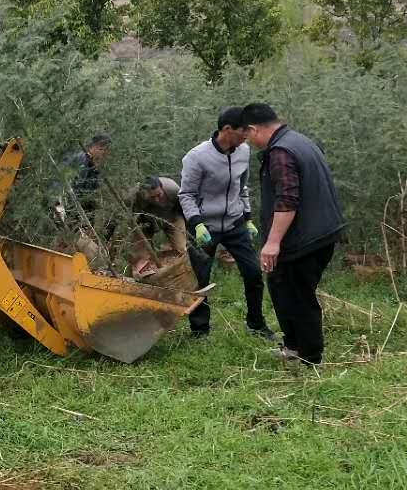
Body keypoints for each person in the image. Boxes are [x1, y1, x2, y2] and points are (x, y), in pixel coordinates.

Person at [240, 102, 344, 366]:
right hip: (320, 232)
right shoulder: (300, 141)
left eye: (247, 136)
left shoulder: (281, 152)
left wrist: (272, 242)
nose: (248, 142)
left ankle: (310, 357)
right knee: (282, 289)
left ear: (254, 129)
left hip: (304, 239)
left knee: (298, 296)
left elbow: (287, 199)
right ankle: (293, 346)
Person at [179, 106, 272, 340]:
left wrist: (247, 217)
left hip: (234, 224)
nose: (247, 135)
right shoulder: (196, 157)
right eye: (243, 130)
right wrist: (197, 223)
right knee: (200, 279)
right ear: (227, 129)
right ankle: (199, 330)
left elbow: (242, 187)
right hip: (204, 228)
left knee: (253, 273)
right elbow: (186, 194)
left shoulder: (243, 151)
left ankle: (256, 324)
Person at [126, 175, 188, 273]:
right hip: (146, 222)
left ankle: (182, 273)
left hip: (172, 217)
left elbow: (184, 210)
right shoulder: (134, 195)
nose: (156, 200)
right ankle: (143, 277)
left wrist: (188, 230)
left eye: (159, 195)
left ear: (162, 188)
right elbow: (128, 215)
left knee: (181, 250)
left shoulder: (173, 189)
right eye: (152, 197)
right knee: (140, 256)